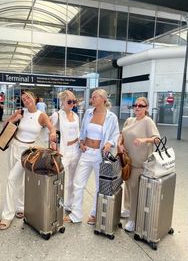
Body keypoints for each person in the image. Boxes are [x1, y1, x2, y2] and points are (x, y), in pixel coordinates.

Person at [0, 90, 56, 230]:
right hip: (14, 147)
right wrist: (14, 118)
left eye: (28, 97)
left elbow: (51, 127)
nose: (26, 100)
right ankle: (21, 206)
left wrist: (53, 135)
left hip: (26, 152)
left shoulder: (41, 115)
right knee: (17, 179)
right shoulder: (21, 112)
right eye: (24, 98)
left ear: (35, 98)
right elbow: (5, 124)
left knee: (12, 179)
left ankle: (7, 215)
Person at [64, 89, 120, 224]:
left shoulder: (111, 117)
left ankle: (95, 213)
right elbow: (83, 130)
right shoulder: (89, 113)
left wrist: (109, 143)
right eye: (92, 97)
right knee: (78, 184)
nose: (92, 99)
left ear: (103, 99)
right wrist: (81, 142)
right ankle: (76, 215)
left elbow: (116, 134)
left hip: (100, 155)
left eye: (94, 97)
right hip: (86, 153)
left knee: (99, 186)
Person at [117, 97, 160, 232]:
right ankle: (128, 208)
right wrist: (119, 144)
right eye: (135, 105)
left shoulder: (148, 121)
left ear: (146, 108)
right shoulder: (130, 120)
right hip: (127, 160)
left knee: (135, 189)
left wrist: (144, 140)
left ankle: (133, 219)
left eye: (141, 106)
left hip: (139, 162)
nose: (137, 107)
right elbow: (121, 134)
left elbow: (157, 139)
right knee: (128, 186)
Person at [50, 90, 80, 212]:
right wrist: (54, 145)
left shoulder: (76, 115)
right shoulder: (57, 115)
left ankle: (69, 204)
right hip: (64, 150)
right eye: (69, 101)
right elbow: (50, 131)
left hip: (76, 149)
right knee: (62, 179)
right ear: (62, 101)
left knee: (73, 180)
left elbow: (78, 132)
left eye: (74, 101)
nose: (72, 104)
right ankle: (58, 204)